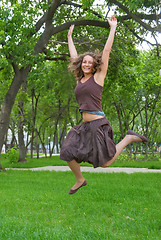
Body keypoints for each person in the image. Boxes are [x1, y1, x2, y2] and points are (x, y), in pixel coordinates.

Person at [60, 16, 148, 194]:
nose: (86, 64)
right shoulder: (79, 79)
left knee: (105, 163)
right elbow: (74, 57)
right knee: (67, 151)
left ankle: (128, 138)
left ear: (94, 66)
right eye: (84, 62)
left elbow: (106, 51)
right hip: (84, 126)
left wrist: (113, 28)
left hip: (98, 124)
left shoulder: (98, 77)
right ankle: (80, 179)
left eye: (89, 62)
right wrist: (69, 39)